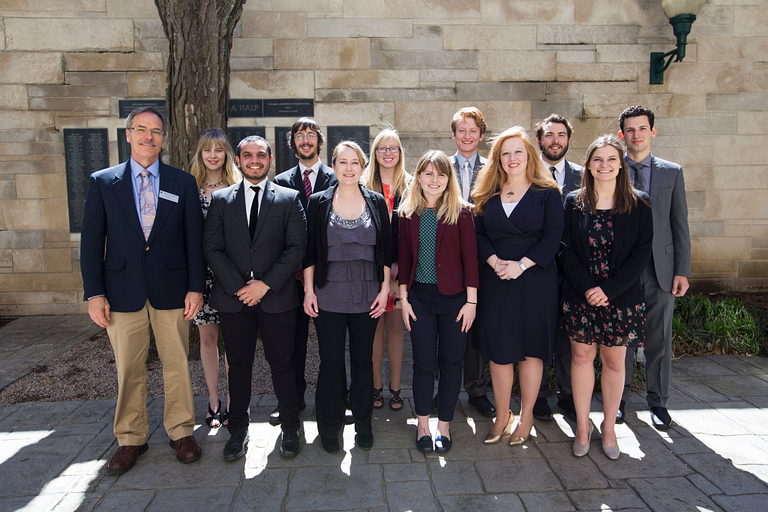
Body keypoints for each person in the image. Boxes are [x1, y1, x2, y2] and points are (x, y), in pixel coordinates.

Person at [80, 106, 204, 474]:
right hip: (121, 291)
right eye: (141, 130)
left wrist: (196, 287)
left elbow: (193, 241)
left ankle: (182, 431)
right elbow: (91, 243)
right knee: (129, 367)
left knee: (177, 363)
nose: (149, 137)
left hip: (171, 288)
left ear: (164, 139)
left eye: (156, 131)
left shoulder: (182, 182)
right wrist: (94, 293)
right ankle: (130, 439)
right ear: (129, 135)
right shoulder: (103, 182)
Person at [203, 135, 306, 461]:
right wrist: (239, 287)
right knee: (239, 367)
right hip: (235, 301)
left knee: (283, 365)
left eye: (260, 155)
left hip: (277, 298)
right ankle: (238, 432)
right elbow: (212, 249)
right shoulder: (221, 200)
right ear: (238, 160)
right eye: (247, 155)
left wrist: (264, 285)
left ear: (270, 159)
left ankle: (290, 427)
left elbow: (296, 248)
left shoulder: (288, 199)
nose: (254, 160)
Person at [559, 134, 653, 460]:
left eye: (611, 159)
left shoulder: (639, 203)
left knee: (614, 362)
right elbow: (564, 248)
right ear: (588, 164)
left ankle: (609, 428)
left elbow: (641, 254)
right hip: (581, 295)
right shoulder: (573, 201)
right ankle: (583, 428)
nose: (604, 165)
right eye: (598, 159)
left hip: (621, 298)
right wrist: (588, 287)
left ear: (621, 163)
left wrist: (609, 290)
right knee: (582, 358)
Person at [472, 126, 564, 446]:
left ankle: (525, 418)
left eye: (518, 152)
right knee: (499, 352)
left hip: (535, 281)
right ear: (498, 158)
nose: (512, 158)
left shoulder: (547, 192)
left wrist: (522, 265)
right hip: (496, 280)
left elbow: (554, 236)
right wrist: (495, 261)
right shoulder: (487, 194)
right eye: (505, 153)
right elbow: (479, 235)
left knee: (529, 352)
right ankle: (502, 415)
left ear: (530, 156)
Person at [303, 141, 392, 453]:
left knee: (363, 362)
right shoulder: (318, 201)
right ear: (334, 165)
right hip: (328, 293)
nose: (349, 168)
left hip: (368, 293)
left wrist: (384, 290)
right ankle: (330, 425)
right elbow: (310, 251)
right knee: (330, 362)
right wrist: (308, 291)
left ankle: (364, 425)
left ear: (363, 166)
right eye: (343, 162)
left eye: (355, 162)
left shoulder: (377, 202)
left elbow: (386, 251)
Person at [398, 150, 479, 453]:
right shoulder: (408, 213)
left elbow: (471, 260)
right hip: (419, 298)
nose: (435, 180)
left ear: (449, 179)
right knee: (422, 363)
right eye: (428, 173)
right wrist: (403, 299)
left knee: (451, 362)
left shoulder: (463, 211)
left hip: (455, 300)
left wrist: (471, 303)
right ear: (418, 176)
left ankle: (443, 425)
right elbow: (404, 259)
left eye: (441, 174)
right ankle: (422, 425)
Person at [618, 105, 691, 430]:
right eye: (630, 130)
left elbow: (680, 225)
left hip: (660, 270)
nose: (636, 135)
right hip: (621, 272)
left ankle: (658, 403)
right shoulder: (610, 167)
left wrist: (682, 270)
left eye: (642, 129)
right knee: (619, 340)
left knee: (659, 339)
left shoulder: (671, 172)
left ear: (653, 131)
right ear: (622, 135)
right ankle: (616, 402)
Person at [273, 117, 338, 426]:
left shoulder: (337, 178)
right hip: (292, 278)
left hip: (328, 275)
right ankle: (292, 399)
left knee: (333, 344)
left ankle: (338, 399)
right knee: (292, 343)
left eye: (311, 134)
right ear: (293, 143)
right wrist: (295, 266)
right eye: (300, 135)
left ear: (319, 141)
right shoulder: (281, 182)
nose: (306, 140)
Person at [444, 106, 495, 419]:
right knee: (444, 325)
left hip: (482, 257)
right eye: (461, 130)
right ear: (453, 134)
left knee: (476, 326)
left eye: (472, 130)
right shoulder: (440, 167)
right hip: (445, 259)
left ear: (481, 135)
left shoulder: (494, 169)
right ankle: (442, 389)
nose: (466, 136)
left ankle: (477, 390)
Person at [189, 128, 241, 428]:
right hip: (201, 277)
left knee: (234, 341)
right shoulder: (188, 187)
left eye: (218, 149)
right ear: (200, 154)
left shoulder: (237, 185)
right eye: (207, 149)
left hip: (232, 276)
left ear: (226, 154)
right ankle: (213, 400)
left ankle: (235, 402)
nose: (212, 155)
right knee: (207, 340)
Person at [533, 114, 584, 422]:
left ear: (568, 139)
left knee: (570, 335)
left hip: (575, 269)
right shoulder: (528, 173)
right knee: (539, 332)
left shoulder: (583, 174)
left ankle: (567, 394)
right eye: (549, 135)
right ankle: (537, 395)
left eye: (561, 135)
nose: (555, 140)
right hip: (539, 266)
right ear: (540, 140)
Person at [362, 128, 410, 412]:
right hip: (371, 269)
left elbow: (411, 232)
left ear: (400, 152)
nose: (388, 153)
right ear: (375, 153)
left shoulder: (411, 184)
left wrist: (400, 263)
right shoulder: (364, 185)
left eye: (393, 148)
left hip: (399, 271)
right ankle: (376, 386)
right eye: (382, 148)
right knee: (374, 328)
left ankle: (395, 388)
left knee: (395, 328)